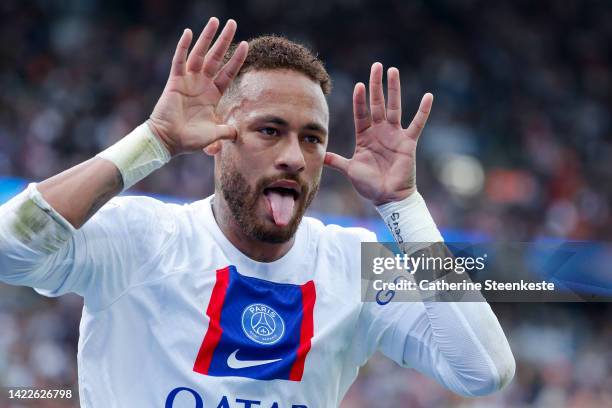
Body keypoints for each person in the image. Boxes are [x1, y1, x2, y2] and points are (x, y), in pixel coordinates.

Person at [0, 17, 515, 407]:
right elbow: (7, 251)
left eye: (312, 138)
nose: (294, 155)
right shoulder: (141, 237)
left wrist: (404, 206)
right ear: (218, 139)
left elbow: (484, 370)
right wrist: (152, 142)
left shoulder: (352, 262)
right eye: (270, 130)